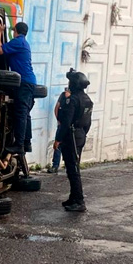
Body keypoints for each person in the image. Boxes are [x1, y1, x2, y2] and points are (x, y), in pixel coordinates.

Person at [0, 19, 36, 154]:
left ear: (16, 32)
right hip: (29, 82)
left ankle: (19, 145)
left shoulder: (18, 42)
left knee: (21, 113)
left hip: (23, 82)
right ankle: (26, 143)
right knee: (25, 114)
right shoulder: (24, 43)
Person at [54, 69, 93, 212]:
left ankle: (79, 201)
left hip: (71, 136)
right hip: (80, 135)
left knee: (73, 170)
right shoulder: (88, 100)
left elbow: (65, 122)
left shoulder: (73, 100)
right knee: (73, 167)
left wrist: (58, 139)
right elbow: (88, 122)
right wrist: (81, 134)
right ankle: (73, 197)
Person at [46, 86, 70, 174]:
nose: (66, 93)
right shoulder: (63, 96)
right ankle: (55, 165)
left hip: (70, 126)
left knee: (69, 146)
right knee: (57, 144)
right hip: (62, 124)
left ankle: (70, 166)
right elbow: (56, 107)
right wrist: (58, 120)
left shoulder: (75, 98)